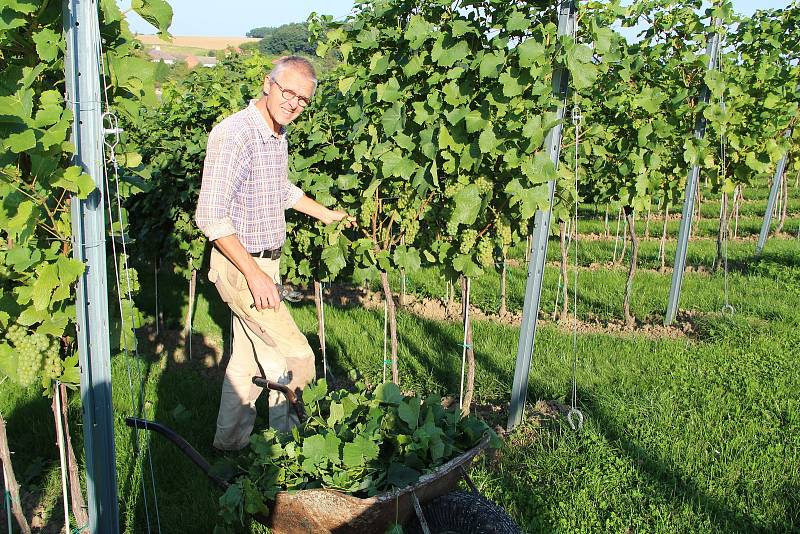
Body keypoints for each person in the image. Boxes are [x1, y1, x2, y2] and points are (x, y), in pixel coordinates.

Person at [195, 56, 350, 451]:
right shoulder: (235, 135)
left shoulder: (276, 134)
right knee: (294, 359)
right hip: (241, 265)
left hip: (264, 263)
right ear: (268, 84)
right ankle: (289, 451)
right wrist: (254, 273)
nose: (294, 102)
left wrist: (326, 214)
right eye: (288, 91)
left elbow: (281, 190)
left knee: (245, 362)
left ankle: (228, 446)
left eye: (303, 98)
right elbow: (210, 216)